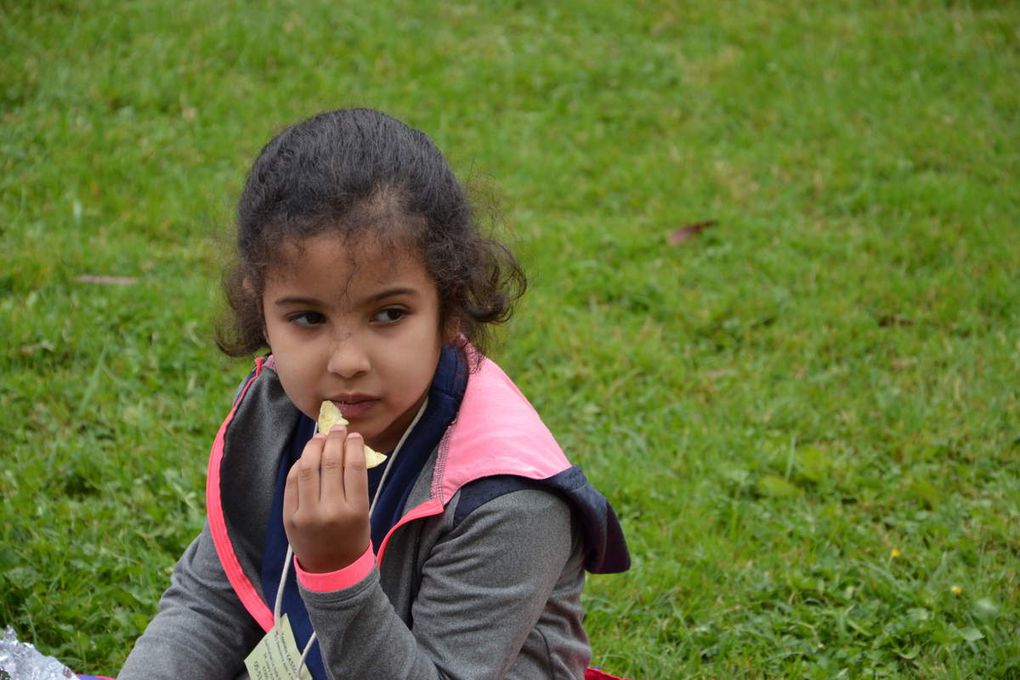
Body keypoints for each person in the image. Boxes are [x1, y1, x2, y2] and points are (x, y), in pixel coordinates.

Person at [118, 108, 630, 680]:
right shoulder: (279, 411)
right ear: (259, 309)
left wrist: (336, 571)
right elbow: (211, 601)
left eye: (389, 313)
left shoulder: (508, 501)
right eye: (307, 319)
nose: (346, 362)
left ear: (451, 306)